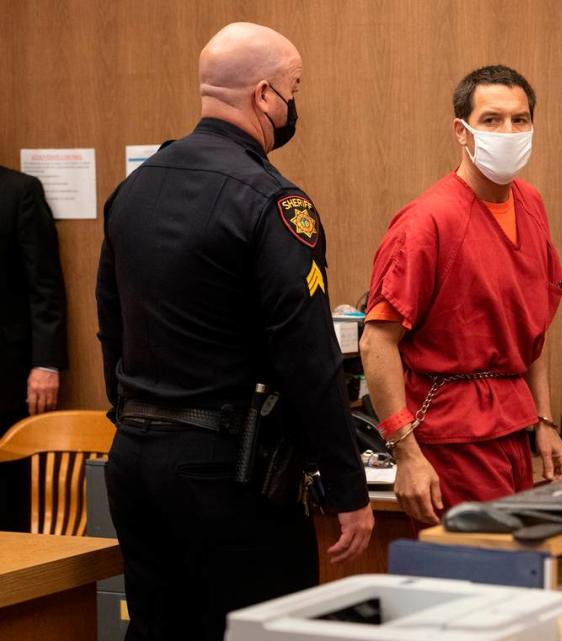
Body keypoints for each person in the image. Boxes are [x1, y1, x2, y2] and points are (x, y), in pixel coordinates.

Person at [96, 22, 372, 640]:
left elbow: (111, 323)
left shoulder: (134, 189)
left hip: (135, 461)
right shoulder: (271, 201)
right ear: (265, 95)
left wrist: (136, 417)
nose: (294, 103)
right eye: (294, 88)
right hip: (228, 472)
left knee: (158, 630)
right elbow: (307, 356)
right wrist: (347, 484)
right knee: (265, 631)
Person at [360, 65, 562, 526]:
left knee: (520, 575)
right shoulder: (426, 222)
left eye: (520, 119)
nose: (508, 131)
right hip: (451, 433)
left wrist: (545, 422)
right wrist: (406, 452)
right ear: (462, 130)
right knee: (476, 578)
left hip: (514, 427)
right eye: (492, 120)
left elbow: (532, 327)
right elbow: (377, 342)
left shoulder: (530, 204)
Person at [0, 165, 67, 532]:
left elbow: (44, 285)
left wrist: (47, 363)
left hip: (8, 375)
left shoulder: (19, 191)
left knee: (9, 494)